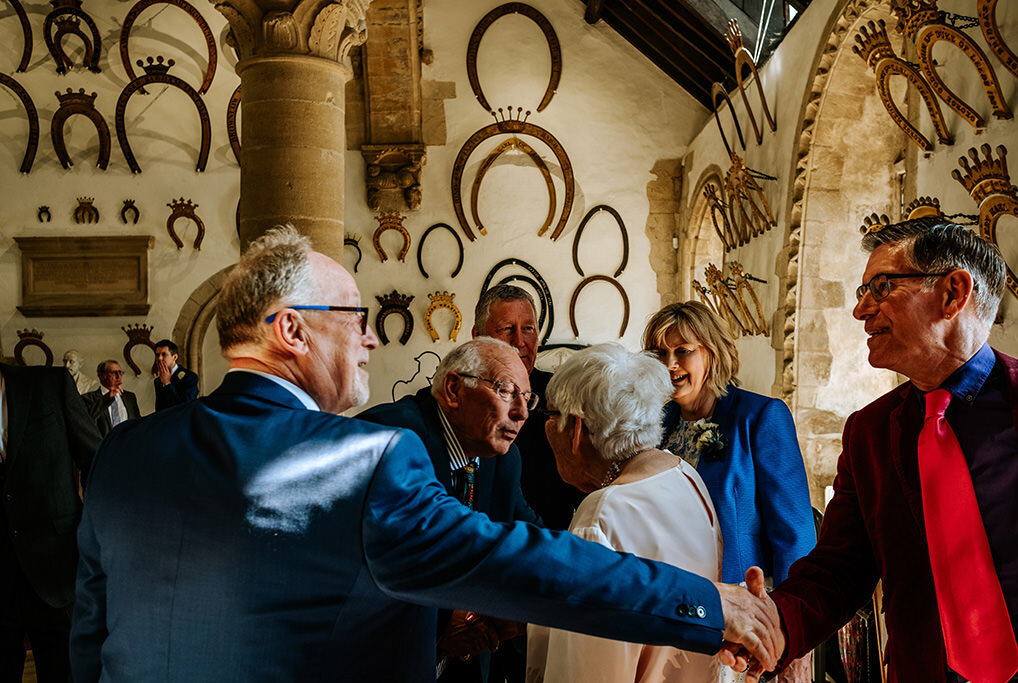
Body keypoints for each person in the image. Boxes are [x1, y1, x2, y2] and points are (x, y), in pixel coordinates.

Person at [70, 226, 782, 682]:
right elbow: (524, 561)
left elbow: (91, 636)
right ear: (290, 329)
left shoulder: (127, 452)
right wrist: (703, 602)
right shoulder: (364, 458)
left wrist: (431, 631)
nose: (372, 339)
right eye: (356, 318)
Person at [767, 218, 1018, 683]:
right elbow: (839, 566)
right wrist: (773, 623)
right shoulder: (868, 431)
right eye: (861, 291)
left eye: (881, 287)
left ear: (952, 294)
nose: (861, 310)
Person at [527, 343, 722, 683]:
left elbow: (584, 670)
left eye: (548, 415)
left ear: (574, 429)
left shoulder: (602, 515)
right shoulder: (684, 475)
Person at [361, 337, 541, 683]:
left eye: (527, 398)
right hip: (379, 656)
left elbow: (525, 536)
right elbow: (367, 562)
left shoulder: (503, 459)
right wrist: (443, 621)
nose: (521, 412)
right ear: (454, 389)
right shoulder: (391, 438)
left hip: (462, 661)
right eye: (506, 391)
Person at [642, 301, 815, 587]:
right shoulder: (656, 424)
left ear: (714, 353)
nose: (669, 365)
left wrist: (788, 615)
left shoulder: (760, 417)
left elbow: (794, 534)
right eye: (659, 354)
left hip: (739, 593)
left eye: (683, 351)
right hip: (669, 591)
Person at [0, 362, 100, 683]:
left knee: (64, 674)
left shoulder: (50, 383)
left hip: (56, 568)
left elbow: (95, 461)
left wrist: (97, 544)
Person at [472, 285, 584, 530]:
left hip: (548, 545)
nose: (520, 341)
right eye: (507, 329)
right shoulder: (462, 397)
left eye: (528, 329)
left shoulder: (561, 394)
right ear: (478, 336)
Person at [82, 360, 141, 436]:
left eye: (120, 372)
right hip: (103, 445)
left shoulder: (130, 397)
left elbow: (137, 422)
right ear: (101, 376)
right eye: (113, 372)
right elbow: (86, 421)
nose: (118, 376)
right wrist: (108, 397)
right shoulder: (88, 398)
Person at [152, 339, 199, 411]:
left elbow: (185, 406)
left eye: (164, 354)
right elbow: (159, 410)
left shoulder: (190, 377)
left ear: (175, 357)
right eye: (157, 355)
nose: (159, 358)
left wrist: (167, 384)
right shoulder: (158, 381)